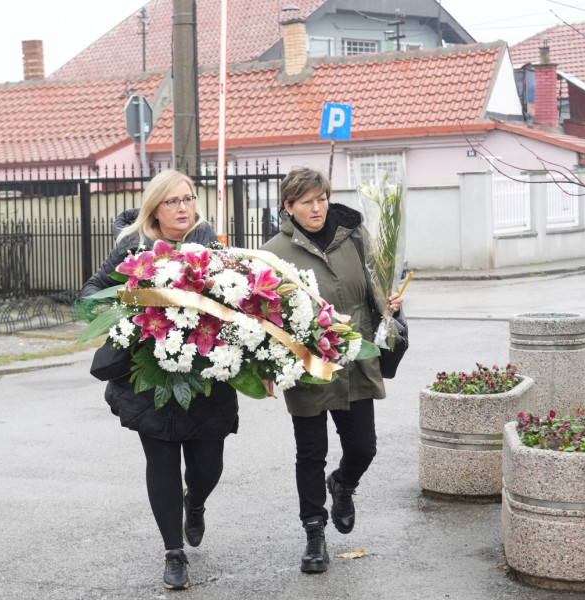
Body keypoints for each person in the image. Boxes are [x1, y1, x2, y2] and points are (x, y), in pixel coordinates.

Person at [81, 169, 239, 591]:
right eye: (173, 201)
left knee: (208, 465)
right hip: (148, 381)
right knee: (162, 463)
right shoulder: (132, 248)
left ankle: (197, 501)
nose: (184, 207)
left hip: (204, 377)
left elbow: (238, 299)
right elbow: (91, 292)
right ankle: (173, 552)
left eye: (188, 198)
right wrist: (128, 313)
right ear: (155, 207)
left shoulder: (210, 244)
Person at [260, 167, 403, 574]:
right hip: (305, 362)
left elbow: (376, 288)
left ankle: (343, 484)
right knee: (310, 452)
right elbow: (264, 314)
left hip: (356, 354)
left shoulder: (356, 237)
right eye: (306, 202)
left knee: (363, 447)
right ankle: (314, 535)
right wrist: (266, 363)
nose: (317, 208)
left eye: (322, 198)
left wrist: (389, 302)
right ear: (288, 208)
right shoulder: (273, 253)